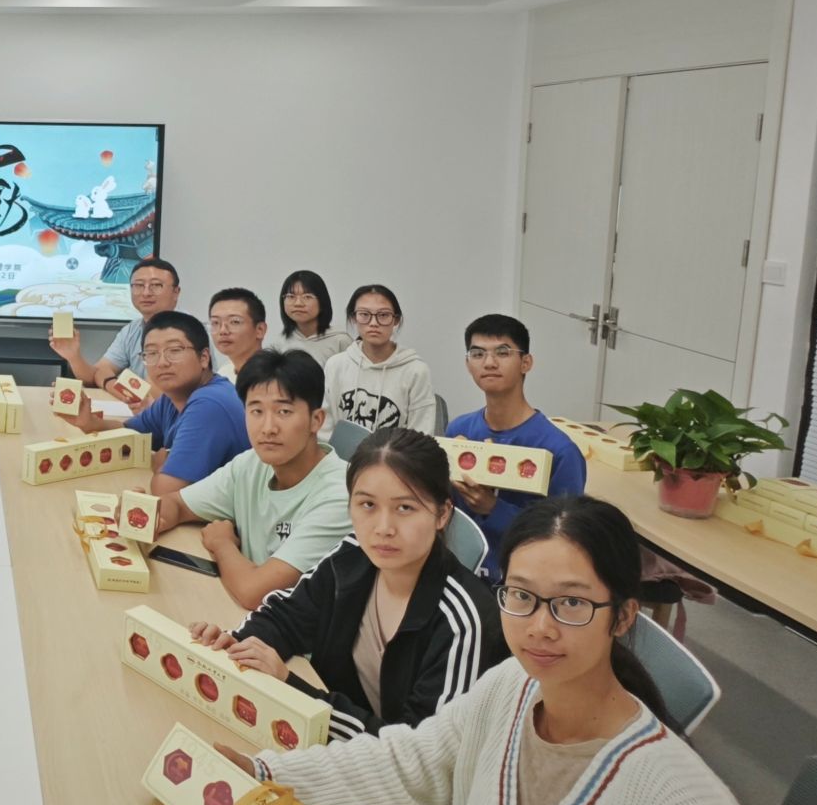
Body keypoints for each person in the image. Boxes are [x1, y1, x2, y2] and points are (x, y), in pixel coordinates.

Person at [228, 498, 812, 805]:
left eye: (572, 604)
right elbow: (410, 762)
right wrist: (265, 774)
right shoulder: (511, 687)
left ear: (623, 616)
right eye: (521, 597)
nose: (540, 628)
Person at [191, 428, 505, 741]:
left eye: (405, 508)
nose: (383, 528)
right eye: (367, 505)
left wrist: (292, 689)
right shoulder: (355, 554)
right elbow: (286, 617)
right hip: (332, 745)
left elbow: (421, 752)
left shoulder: (464, 622)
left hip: (390, 766)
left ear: (442, 514)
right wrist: (235, 644)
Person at [150, 349, 353, 613]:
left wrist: (222, 543)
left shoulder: (341, 495)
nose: (268, 428)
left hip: (292, 633)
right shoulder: (251, 464)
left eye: (284, 411)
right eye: (256, 411)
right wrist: (145, 514)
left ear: (316, 420)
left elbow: (255, 593)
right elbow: (176, 505)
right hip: (244, 616)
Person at [445, 314, 589, 576]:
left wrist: (493, 507)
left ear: (526, 362)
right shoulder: (459, 431)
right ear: (468, 364)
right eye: (477, 354)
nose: (489, 362)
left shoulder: (559, 451)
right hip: (460, 573)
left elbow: (565, 539)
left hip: (522, 581)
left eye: (503, 352)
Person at [68, 311, 247, 492]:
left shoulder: (209, 405)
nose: (162, 363)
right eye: (151, 353)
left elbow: (167, 491)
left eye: (174, 351)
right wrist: (90, 423)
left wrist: (158, 465)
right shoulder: (173, 397)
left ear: (204, 358)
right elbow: (131, 434)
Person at [48, 255, 181, 394]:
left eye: (156, 285)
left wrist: (108, 382)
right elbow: (96, 375)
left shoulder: (186, 332)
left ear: (176, 292)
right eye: (139, 285)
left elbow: (159, 395)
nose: (146, 293)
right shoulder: (132, 330)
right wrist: (73, 356)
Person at [322, 283, 435, 441]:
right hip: (341, 456)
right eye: (364, 314)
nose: (373, 323)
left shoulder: (415, 371)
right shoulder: (336, 365)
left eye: (383, 315)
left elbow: (422, 433)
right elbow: (325, 428)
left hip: (396, 456)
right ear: (353, 318)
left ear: (396, 320)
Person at [272, 269, 352, 368]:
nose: (298, 303)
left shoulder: (341, 341)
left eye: (307, 297)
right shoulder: (280, 342)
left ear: (322, 302)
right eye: (291, 296)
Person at [208, 287, 271, 380]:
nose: (223, 331)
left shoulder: (277, 376)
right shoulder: (223, 374)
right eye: (215, 322)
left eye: (235, 322)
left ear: (260, 330)